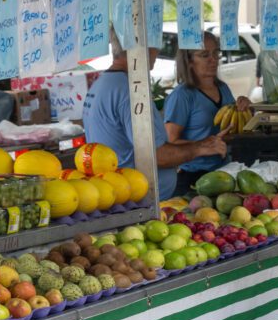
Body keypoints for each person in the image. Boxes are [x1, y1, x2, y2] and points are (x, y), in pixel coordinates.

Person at [83, 29, 227, 200]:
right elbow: (156, 156)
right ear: (142, 47)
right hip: (136, 202)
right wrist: (200, 148)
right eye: (154, 45)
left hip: (120, 194)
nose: (156, 52)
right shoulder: (130, 90)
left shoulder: (103, 83)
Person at [164, 31, 251, 196]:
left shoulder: (223, 89)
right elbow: (170, 141)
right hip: (193, 179)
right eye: (204, 55)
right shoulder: (182, 96)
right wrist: (204, 144)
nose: (213, 60)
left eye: (215, 53)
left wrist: (246, 110)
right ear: (189, 61)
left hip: (224, 173)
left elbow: (230, 131)